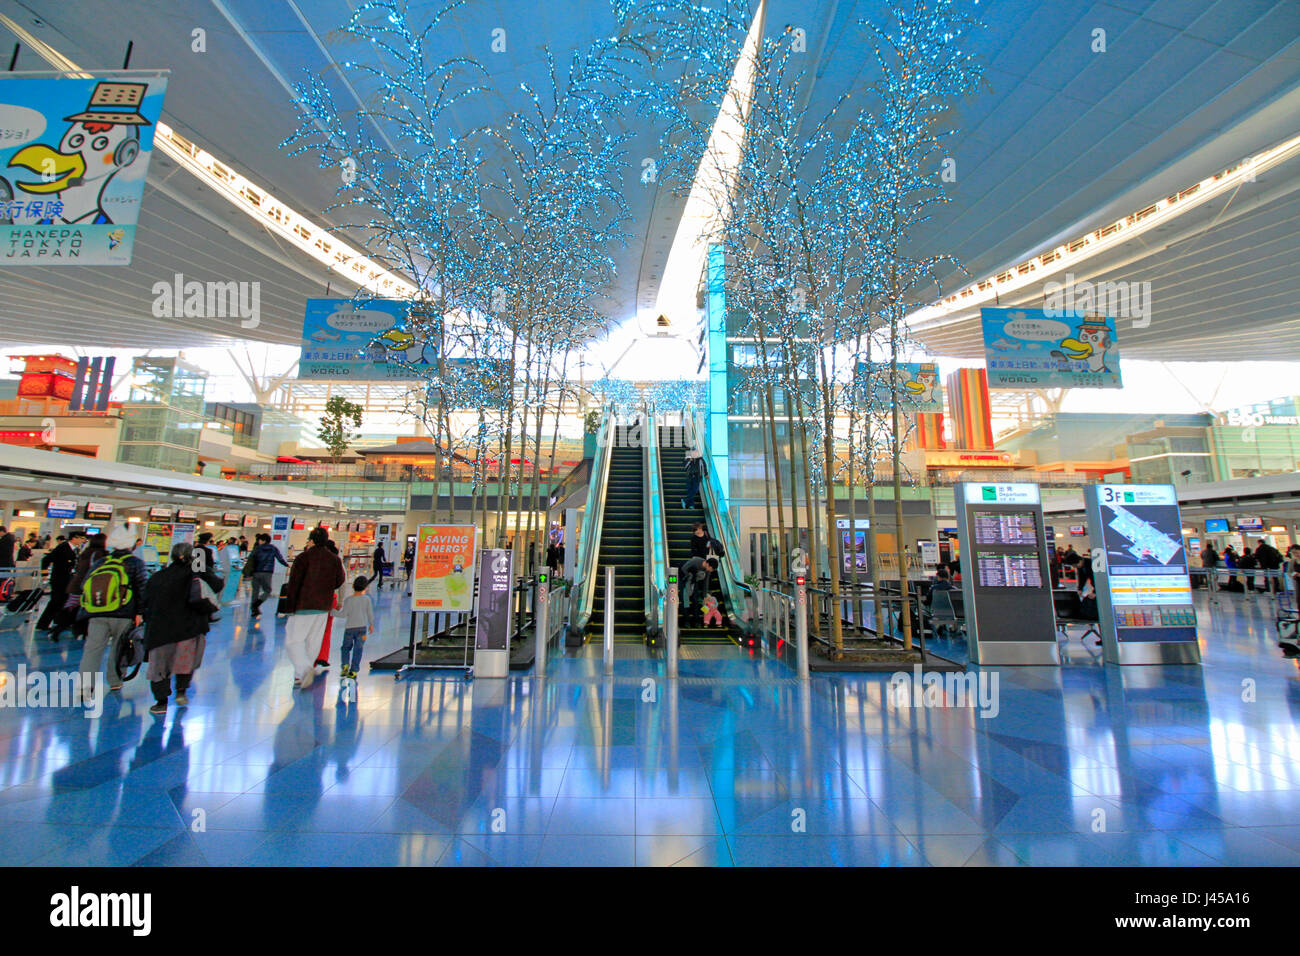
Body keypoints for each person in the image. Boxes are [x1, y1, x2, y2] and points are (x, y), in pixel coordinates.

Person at [142, 542, 224, 715]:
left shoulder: (158, 576)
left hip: (160, 630)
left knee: (159, 666)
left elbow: (145, 601)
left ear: (172, 556)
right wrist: (200, 567)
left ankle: (161, 702)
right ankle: (181, 692)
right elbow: (217, 585)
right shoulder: (196, 575)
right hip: (190, 628)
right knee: (186, 662)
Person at [78, 524, 148, 700]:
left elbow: (83, 585)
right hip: (124, 613)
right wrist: (140, 613)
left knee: (92, 650)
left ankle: (84, 687)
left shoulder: (101, 561)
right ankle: (115, 681)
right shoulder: (135, 563)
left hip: (97, 612)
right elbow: (141, 589)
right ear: (132, 545)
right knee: (119, 648)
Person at [283, 527, 345, 690]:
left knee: (293, 640)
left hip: (304, 605)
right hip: (323, 606)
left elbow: (294, 584)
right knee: (313, 642)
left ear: (311, 540)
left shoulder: (303, 558)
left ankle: (303, 670)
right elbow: (339, 581)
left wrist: (289, 607)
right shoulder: (334, 559)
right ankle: (301, 675)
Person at [36, 531, 85, 633]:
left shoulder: (75, 549)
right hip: (59, 580)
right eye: (82, 538)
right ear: (74, 538)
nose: (83, 541)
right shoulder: (63, 547)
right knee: (55, 602)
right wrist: (44, 574)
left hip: (68, 580)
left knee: (63, 602)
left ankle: (58, 622)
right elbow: (46, 560)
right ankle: (43, 624)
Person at [339, 575, 375, 680]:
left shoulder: (348, 600)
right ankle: (353, 671)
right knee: (358, 649)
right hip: (362, 629)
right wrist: (371, 624)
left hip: (349, 629)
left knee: (345, 648)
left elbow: (343, 614)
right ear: (366, 587)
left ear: (353, 586)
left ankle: (345, 665)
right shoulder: (367, 599)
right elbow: (370, 613)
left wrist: (332, 612)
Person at [247, 533, 288, 618]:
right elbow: (280, 558)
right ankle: (258, 603)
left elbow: (250, 558)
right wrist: (286, 565)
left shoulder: (257, 548)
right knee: (267, 590)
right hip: (267, 572)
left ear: (263, 540)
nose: (258, 541)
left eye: (260, 540)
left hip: (256, 572)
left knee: (255, 590)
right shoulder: (273, 548)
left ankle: (254, 610)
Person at [680, 555, 718, 621]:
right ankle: (687, 620)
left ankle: (697, 621)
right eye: (711, 569)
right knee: (685, 601)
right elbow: (683, 568)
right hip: (685, 581)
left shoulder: (707, 570)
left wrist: (705, 595)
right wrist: (690, 576)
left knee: (696, 600)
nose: (710, 571)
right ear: (707, 564)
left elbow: (706, 582)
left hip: (694, 582)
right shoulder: (695, 561)